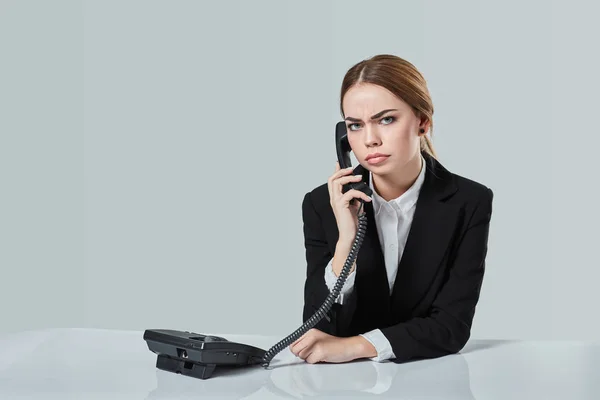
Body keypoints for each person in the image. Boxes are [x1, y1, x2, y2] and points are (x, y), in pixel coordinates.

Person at [289, 54, 494, 364]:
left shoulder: (469, 202)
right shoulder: (322, 205)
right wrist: (347, 242)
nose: (370, 140)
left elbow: (452, 327)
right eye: (355, 126)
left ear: (422, 122)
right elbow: (318, 329)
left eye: (386, 119)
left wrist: (355, 346)